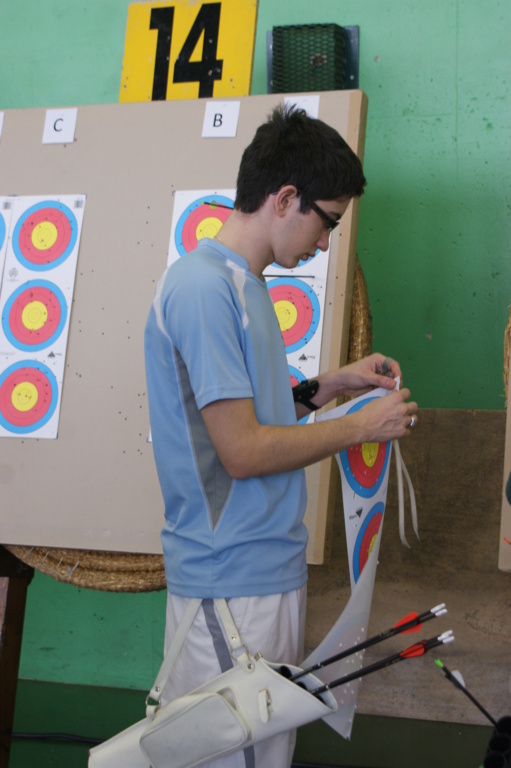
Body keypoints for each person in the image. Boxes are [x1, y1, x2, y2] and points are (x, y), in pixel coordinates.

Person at [144, 103, 418, 768]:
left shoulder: (245, 285)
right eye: (327, 221)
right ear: (286, 197)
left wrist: (331, 385)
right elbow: (241, 452)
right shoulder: (204, 288)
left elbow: (254, 419)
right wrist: (358, 427)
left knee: (263, 754)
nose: (325, 242)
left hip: (261, 571)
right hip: (228, 581)